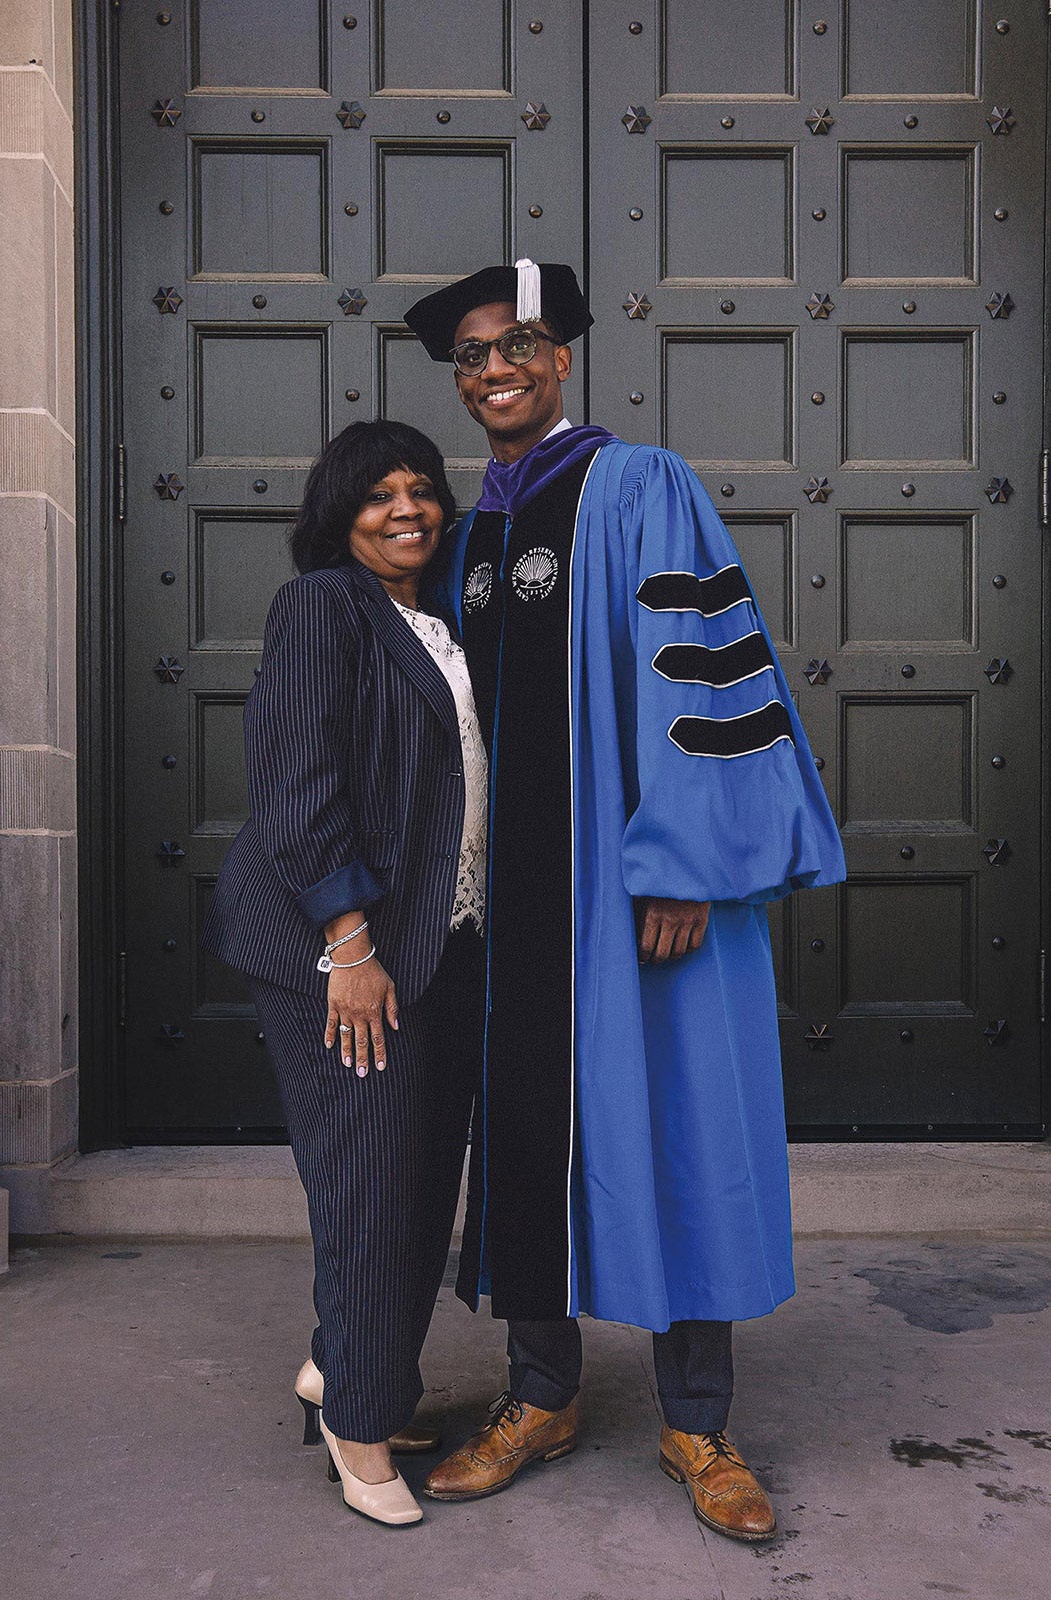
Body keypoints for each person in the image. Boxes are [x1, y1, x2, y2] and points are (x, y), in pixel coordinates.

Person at [402, 262, 846, 1541]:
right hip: (510, 908)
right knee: (529, 1130)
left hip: (639, 893)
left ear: (563, 360)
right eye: (475, 352)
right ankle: (538, 1396)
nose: (495, 366)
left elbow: (703, 680)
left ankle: (699, 1422)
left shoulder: (640, 485)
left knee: (681, 1125)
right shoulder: (466, 534)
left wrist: (687, 870)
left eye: (520, 344)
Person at [201, 420, 488, 1528]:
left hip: (435, 940)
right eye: (377, 493)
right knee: (372, 1181)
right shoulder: (324, 604)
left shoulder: (434, 620)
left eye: (421, 488)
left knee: (416, 1177)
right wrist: (350, 947)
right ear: (338, 510)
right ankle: (359, 1424)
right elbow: (298, 779)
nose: (404, 507)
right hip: (341, 950)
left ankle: (346, 1362)